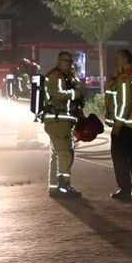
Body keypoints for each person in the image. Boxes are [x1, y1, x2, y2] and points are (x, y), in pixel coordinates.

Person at [105, 49, 132, 201]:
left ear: (124, 59)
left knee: (119, 157)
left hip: (125, 126)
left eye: (118, 58)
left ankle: (124, 189)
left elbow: (125, 102)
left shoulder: (125, 77)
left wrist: (118, 123)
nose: (116, 60)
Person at [42, 51, 84, 198]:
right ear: (58, 61)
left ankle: (54, 187)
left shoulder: (64, 76)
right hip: (57, 120)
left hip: (59, 120)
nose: (68, 63)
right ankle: (64, 187)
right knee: (65, 154)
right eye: (64, 60)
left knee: (56, 155)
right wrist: (76, 93)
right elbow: (58, 95)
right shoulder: (56, 76)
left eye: (69, 60)